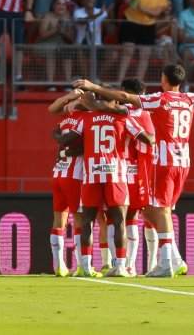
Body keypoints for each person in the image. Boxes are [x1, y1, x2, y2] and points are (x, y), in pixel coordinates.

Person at [73, 66, 194, 277]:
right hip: (183, 162)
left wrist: (94, 86)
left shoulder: (160, 100)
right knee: (160, 210)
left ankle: (167, 262)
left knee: (155, 210)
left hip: (163, 162)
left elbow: (125, 97)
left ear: (164, 79)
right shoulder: (189, 99)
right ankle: (173, 259)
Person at [67, 92, 154, 278]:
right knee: (119, 220)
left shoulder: (87, 118)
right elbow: (149, 139)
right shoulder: (124, 118)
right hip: (116, 174)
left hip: (92, 174)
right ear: (114, 102)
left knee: (87, 221)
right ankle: (121, 266)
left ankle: (85, 266)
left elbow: (68, 139)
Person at [46, 89, 86, 277]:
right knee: (79, 219)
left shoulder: (64, 121)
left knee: (59, 219)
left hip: (58, 173)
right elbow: (80, 146)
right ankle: (81, 264)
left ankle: (59, 264)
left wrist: (59, 143)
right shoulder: (86, 120)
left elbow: (53, 110)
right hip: (74, 175)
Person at [120, 78, 155, 276]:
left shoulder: (129, 113)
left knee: (129, 216)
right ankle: (149, 264)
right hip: (145, 169)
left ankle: (129, 264)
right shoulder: (149, 113)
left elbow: (148, 140)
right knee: (145, 216)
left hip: (131, 169)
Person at [118, 0, 169, 84]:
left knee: (145, 55)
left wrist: (141, 8)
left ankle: (138, 82)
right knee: (127, 51)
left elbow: (156, 13)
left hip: (148, 26)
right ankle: (119, 81)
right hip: (131, 22)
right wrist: (138, 6)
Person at [37, 0, 75, 90]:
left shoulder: (68, 17)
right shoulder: (48, 16)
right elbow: (42, 35)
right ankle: (50, 83)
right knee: (51, 52)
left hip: (62, 44)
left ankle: (67, 83)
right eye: (58, 3)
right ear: (53, 6)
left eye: (63, 4)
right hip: (47, 44)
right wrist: (55, 29)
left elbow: (71, 39)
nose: (61, 6)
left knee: (67, 51)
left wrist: (63, 32)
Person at [73, 0, 107, 78]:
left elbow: (109, 27)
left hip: (97, 44)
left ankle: (96, 78)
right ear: (82, 1)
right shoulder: (77, 12)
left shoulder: (102, 12)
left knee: (113, 55)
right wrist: (98, 15)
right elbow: (81, 21)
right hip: (81, 44)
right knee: (79, 51)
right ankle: (86, 80)